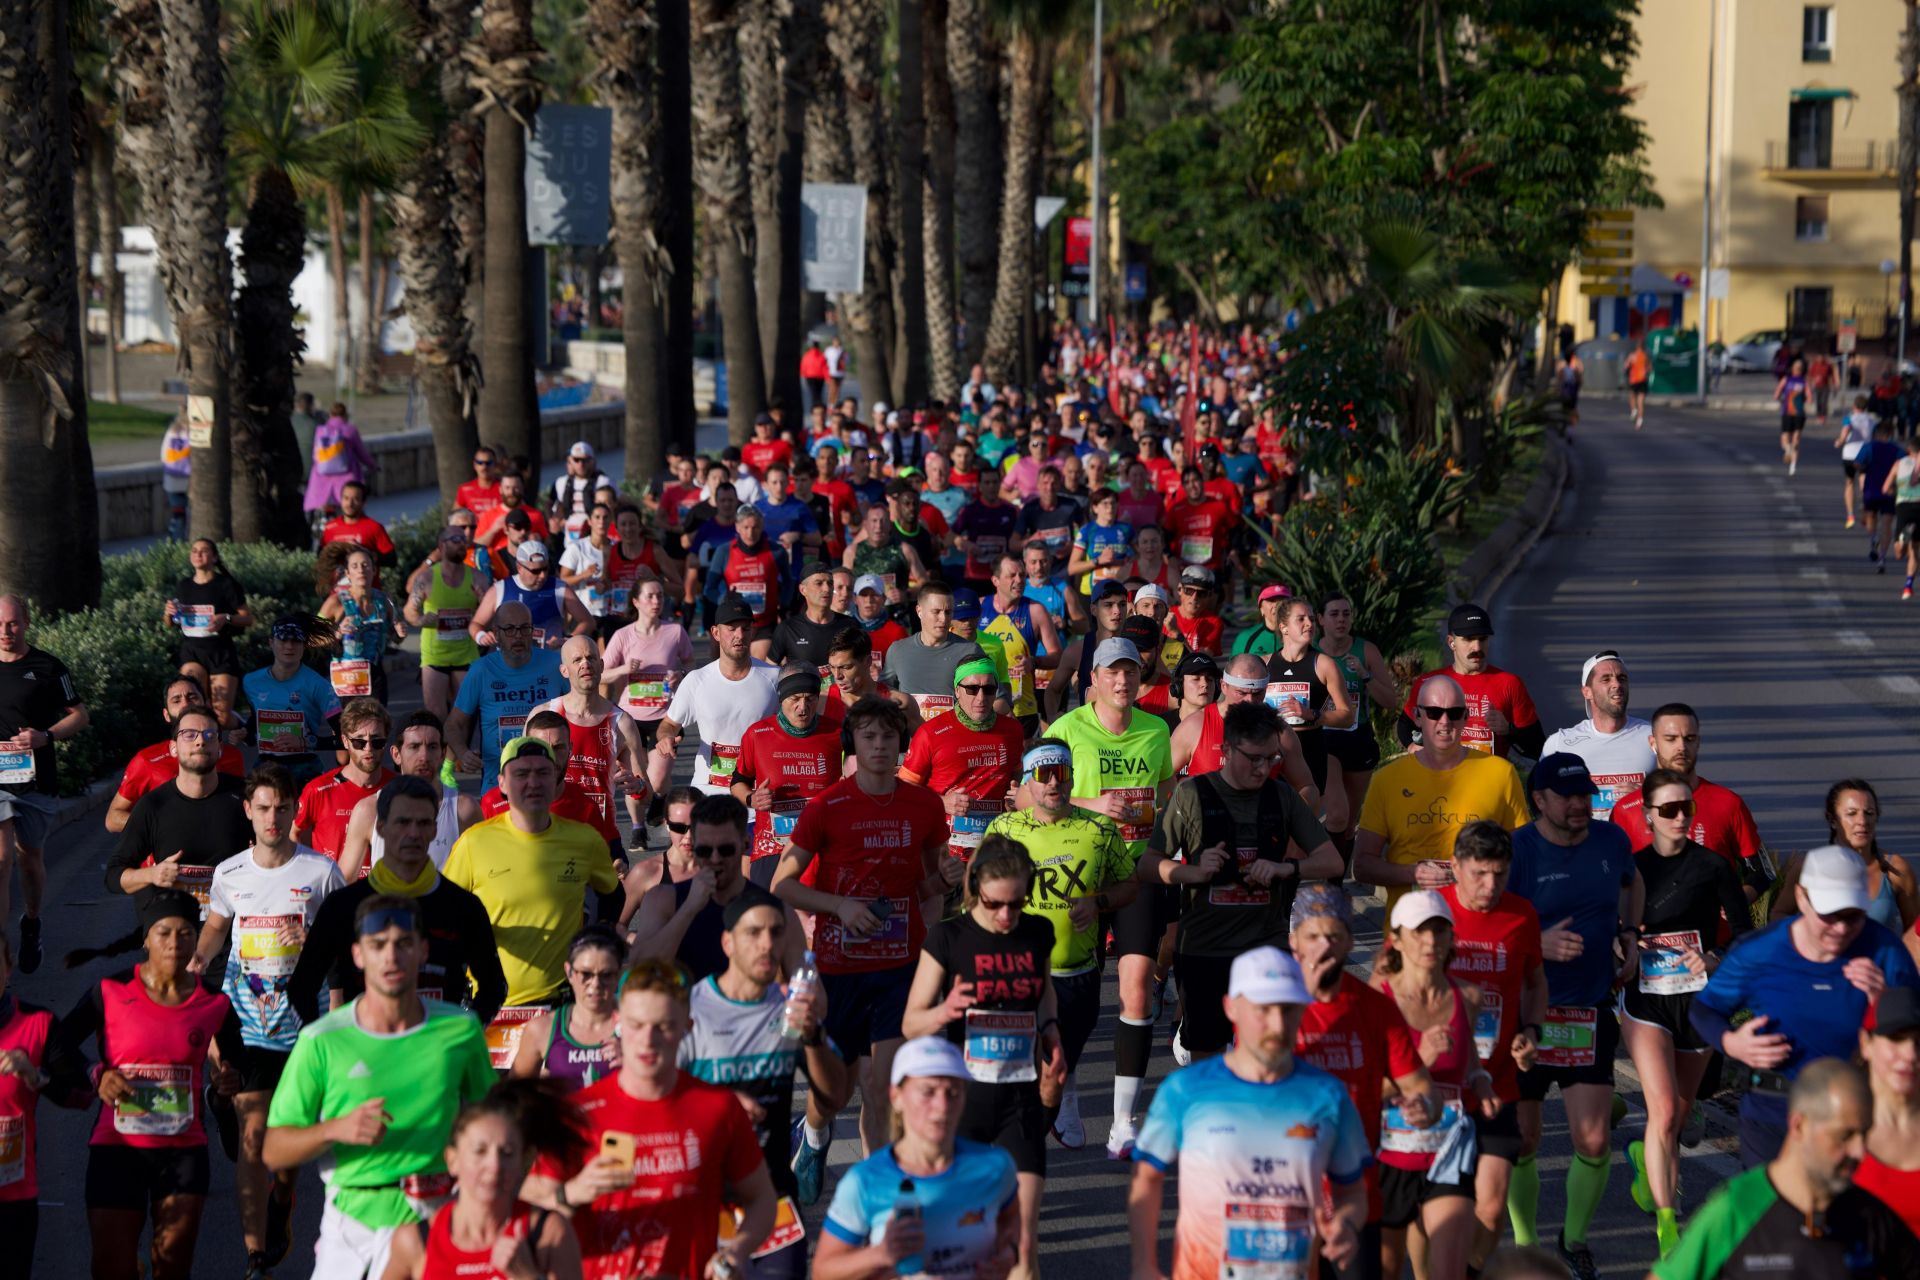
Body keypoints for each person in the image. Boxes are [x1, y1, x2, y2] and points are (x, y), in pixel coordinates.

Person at [265, 892, 498, 1278]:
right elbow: (274, 1151)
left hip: (439, 1216)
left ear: (423, 951)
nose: (391, 957)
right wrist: (336, 1129)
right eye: (378, 946)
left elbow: (494, 1125)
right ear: (358, 955)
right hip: (354, 1224)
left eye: (403, 944)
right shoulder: (322, 1040)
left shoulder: (459, 1029)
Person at [522, 956, 780, 1280]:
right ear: (618, 1022)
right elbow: (528, 1204)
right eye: (636, 1025)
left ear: (687, 1028)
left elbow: (761, 1199)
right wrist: (572, 1193)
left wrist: (736, 1251)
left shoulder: (718, 1107)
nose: (647, 1040)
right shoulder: (577, 1113)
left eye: (664, 1026)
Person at [771, 696, 950, 1153]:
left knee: (883, 1088)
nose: (880, 746)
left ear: (902, 745)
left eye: (889, 737)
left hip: (899, 966)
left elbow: (931, 884)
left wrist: (952, 879)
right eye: (869, 737)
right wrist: (840, 907)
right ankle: (812, 1133)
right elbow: (783, 885)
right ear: (853, 744)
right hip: (839, 968)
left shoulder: (925, 805)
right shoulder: (826, 806)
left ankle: (879, 1195)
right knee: (835, 1092)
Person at [1128, 947, 1371, 1280]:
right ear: (1232, 1007)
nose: (1277, 1023)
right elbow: (1147, 1180)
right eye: (1263, 1009)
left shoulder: (1327, 1095)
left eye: (1288, 1009)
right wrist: (1144, 1264)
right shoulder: (1186, 1090)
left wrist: (1345, 1222)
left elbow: (1354, 1191)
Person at [191, 763, 344, 1273]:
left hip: (303, 1020)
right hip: (246, 1017)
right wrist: (198, 957)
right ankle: (255, 1254)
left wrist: (336, 1008)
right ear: (248, 812)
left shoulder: (321, 872)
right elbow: (216, 926)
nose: (272, 817)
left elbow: (343, 949)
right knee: (253, 1135)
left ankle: (283, 1198)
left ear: (293, 809)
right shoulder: (230, 872)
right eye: (263, 808)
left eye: (281, 807)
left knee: (284, 1143)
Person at [57, 887, 245, 1280]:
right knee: (112, 1267)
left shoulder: (215, 1002)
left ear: (197, 937)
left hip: (183, 1152)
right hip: (116, 1147)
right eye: (164, 933)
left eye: (185, 933)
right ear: (146, 938)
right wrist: (97, 1074)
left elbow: (235, 1064)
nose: (175, 943)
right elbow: (55, 1046)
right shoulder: (110, 992)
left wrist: (228, 1083)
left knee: (172, 1267)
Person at [1140, 701, 1342, 1062]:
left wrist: (1286, 869)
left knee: (1269, 1052)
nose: (1264, 768)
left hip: (1265, 944)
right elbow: (1148, 865)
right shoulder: (1192, 794)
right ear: (1228, 750)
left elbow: (1332, 860)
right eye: (1254, 758)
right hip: (1204, 945)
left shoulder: (1282, 797)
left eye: (1272, 758)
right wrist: (1191, 871)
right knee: (1208, 1057)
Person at [1503, 753, 1642, 1280]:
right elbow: (1485, 919)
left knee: (1593, 1139)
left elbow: (1632, 882)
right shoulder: (1518, 850)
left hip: (1588, 1009)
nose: (1582, 804)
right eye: (1569, 796)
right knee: (1526, 1139)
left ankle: (1574, 1240)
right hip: (1527, 1012)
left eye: (1587, 794)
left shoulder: (1611, 842)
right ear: (1539, 800)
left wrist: (1630, 933)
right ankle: (1524, 1245)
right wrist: (1534, 943)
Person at [1694, 844, 1920, 1165]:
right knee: (1776, 1212)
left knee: (1844, 1215)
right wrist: (1731, 1041)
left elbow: (1912, 1027)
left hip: (1856, 1111)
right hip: (1773, 1111)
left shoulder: (1884, 951)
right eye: (1829, 914)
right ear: (1801, 898)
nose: (1841, 928)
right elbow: (1705, 1008)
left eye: (1853, 915)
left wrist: (1884, 1002)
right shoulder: (1761, 950)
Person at [902, 838, 1065, 1280]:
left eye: (1016, 903)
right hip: (961, 1106)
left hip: (1020, 1100)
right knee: (954, 1242)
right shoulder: (948, 937)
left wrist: (1051, 1031)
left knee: (1024, 1243)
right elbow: (911, 1022)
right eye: (995, 904)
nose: (1006, 916)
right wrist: (945, 1011)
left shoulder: (1036, 932)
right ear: (976, 888)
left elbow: (1044, 993)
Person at [1047, 636, 1175, 1157]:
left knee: (1137, 989)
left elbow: (1166, 793)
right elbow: (1029, 792)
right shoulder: (1067, 729)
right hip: (1079, 870)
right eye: (1112, 673)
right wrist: (1092, 802)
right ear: (1093, 680)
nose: (1123, 681)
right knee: (1076, 997)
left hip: (1137, 870)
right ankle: (1070, 1091)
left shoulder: (1157, 729)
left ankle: (1124, 1121)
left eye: (1131, 672)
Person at [1621, 768, 1754, 1258]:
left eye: (1686, 808)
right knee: (1660, 1111)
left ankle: (1643, 1159)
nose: (1680, 817)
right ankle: (1668, 1227)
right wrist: (1626, 946)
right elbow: (1617, 928)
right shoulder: (1632, 868)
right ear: (1648, 814)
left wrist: (1715, 957)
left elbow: (1742, 932)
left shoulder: (1714, 866)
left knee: (1676, 1115)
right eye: (1669, 810)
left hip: (1696, 1000)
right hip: (1646, 1001)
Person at [682, 893, 853, 1274]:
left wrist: (812, 1036)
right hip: (702, 1198)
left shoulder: (791, 1009)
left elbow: (836, 1095)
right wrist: (720, 1105)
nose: (767, 944)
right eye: (754, 933)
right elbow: (650, 1103)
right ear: (727, 942)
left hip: (774, 1198)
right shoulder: (691, 1009)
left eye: (776, 933)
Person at [985, 740, 1136, 1150]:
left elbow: (1129, 885)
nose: (1054, 783)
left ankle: (1060, 1093)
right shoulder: (1003, 830)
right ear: (1028, 783)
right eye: (1044, 774)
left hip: (1078, 974)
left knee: (1059, 1061)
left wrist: (1098, 901)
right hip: (1017, 972)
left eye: (1061, 773)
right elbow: (978, 891)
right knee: (1020, 1070)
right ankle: (1015, 1150)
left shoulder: (1099, 829)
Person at [1651, 1059, 1920, 1280]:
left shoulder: (1867, 1214)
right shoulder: (1736, 1209)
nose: (1860, 1152)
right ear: (1799, 1125)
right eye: (1845, 1135)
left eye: (1863, 1135)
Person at [1290, 883, 1436, 1280]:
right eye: (1313, 936)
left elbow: (1420, 1086)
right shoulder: (1271, 1005)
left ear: (1350, 940)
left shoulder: (1374, 1008)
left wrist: (1423, 1106)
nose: (1324, 947)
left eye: (1334, 936)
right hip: (1287, 1199)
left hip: (1357, 1195)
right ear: (1294, 942)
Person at [290, 776, 506, 1024]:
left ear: (435, 829)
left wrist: (461, 1039)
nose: (413, 833)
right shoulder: (343, 906)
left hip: (435, 1056)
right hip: (365, 1057)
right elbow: (301, 988)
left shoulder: (462, 907)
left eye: (423, 822)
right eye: (403, 822)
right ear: (380, 827)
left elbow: (494, 987)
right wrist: (329, 1047)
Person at [1372, 890, 1502, 1280]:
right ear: (1396, 938)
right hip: (1390, 1154)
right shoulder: (1378, 1000)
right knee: (1387, 1267)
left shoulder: (1468, 996)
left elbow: (1471, 1058)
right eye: (1419, 932)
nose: (1430, 942)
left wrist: (1481, 1084)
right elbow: (1360, 1089)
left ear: (1451, 938)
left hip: (1449, 1151)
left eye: (1440, 931)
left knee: (1448, 1271)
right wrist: (1418, 1067)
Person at [813, 1036, 1020, 1280]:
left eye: (953, 1093)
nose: (942, 1106)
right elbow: (823, 1271)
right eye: (928, 1092)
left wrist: (1009, 1254)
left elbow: (1011, 1222)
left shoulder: (994, 1166)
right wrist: (880, 1254)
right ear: (896, 1097)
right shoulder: (866, 1181)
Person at [1437, 822, 1548, 1274]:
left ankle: (1468, 1272)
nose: (1490, 885)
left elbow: (1536, 983)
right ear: (1455, 868)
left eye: (1500, 874)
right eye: (1480, 873)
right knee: (1437, 1211)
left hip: (1497, 1081)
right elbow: (1392, 987)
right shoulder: (1430, 912)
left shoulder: (1522, 915)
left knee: (1490, 1205)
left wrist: (1533, 1031)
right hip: (1436, 1085)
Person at [444, 736, 624, 1008]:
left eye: (543, 773)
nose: (533, 783)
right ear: (502, 783)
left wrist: (596, 939)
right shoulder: (473, 843)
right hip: (491, 1005)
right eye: (521, 774)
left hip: (561, 1003)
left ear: (555, 780)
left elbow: (613, 896)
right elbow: (445, 912)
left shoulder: (585, 840)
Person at [1355, 674, 1531, 915]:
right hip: (1413, 932)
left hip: (1479, 930)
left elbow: (1524, 855)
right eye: (1434, 713)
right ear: (1417, 716)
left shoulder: (1500, 773)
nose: (1445, 721)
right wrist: (1413, 873)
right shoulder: (1387, 779)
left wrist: (1478, 874)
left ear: (1466, 717)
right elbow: (1363, 865)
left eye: (1455, 713)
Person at [379, 1078, 585, 1280]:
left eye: (507, 1152)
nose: (494, 1166)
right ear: (453, 1160)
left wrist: (527, 1276)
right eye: (479, 1151)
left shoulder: (547, 1232)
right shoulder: (416, 1241)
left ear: (522, 1161)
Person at [0, 595, 86, 970]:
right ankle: (1, 948)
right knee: (1, 859)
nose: (5, 632)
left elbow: (80, 715)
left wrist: (44, 737)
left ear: (27, 623)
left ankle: (31, 923)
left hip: (36, 779)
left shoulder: (48, 667)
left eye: (13, 624)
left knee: (29, 859)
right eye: (0, 624)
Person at [1609, 704, 1770, 900]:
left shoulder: (1728, 803)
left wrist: (1735, 903)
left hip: (1716, 931)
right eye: (1670, 739)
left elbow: (1763, 873)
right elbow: (1610, 877)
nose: (1681, 747)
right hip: (1650, 929)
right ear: (1653, 743)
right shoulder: (1625, 810)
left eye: (1689, 739)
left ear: (1698, 743)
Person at [105, 705, 253, 911]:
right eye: (189, 734)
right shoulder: (153, 804)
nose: (200, 741)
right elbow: (113, 875)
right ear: (173, 748)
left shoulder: (247, 797)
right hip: (175, 929)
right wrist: (151, 874)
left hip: (234, 928)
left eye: (210, 734)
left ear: (220, 747)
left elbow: (284, 852)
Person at [899, 657, 1026, 892]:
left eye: (988, 689)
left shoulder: (1012, 731)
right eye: (971, 689)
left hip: (994, 857)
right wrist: (941, 803)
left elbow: (1017, 777)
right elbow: (903, 794)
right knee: (946, 926)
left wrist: (1017, 796)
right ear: (957, 690)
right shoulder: (930, 733)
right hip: (945, 859)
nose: (980, 698)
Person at [0, 928, 87, 1268]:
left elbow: (81, 1095)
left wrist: (35, 1077)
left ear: (8, 969)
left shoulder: (37, 1023)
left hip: (12, 1197)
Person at [649, 593, 781, 799]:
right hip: (708, 790)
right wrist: (666, 738)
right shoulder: (697, 680)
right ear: (716, 633)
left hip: (756, 791)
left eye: (745, 629)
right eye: (731, 629)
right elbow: (669, 724)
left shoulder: (773, 678)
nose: (739, 635)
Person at [733, 664, 847, 884]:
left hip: (823, 844)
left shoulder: (838, 733)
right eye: (794, 698)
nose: (802, 707)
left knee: (818, 914)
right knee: (770, 915)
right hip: (773, 847)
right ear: (781, 698)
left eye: (810, 698)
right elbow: (738, 782)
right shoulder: (757, 734)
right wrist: (752, 798)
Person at [338, 710, 479, 880]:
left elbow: (484, 877)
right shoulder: (369, 810)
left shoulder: (464, 810)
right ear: (396, 755)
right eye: (414, 747)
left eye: (432, 747)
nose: (424, 756)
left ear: (443, 754)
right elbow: (343, 881)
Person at [538, 636, 649, 851]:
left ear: (601, 665)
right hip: (551, 835)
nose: (585, 664)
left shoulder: (622, 723)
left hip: (600, 839)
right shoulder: (542, 716)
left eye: (590, 658)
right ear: (564, 671)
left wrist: (638, 787)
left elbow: (646, 794)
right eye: (577, 660)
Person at [446, 600, 567, 794]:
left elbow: (583, 707)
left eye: (524, 628)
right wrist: (463, 753)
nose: (518, 636)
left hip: (548, 784)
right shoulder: (481, 670)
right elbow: (453, 724)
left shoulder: (555, 664)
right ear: (497, 633)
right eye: (510, 629)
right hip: (497, 786)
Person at [1399, 603, 1544, 760]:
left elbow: (1538, 749)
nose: (1477, 647)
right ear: (1451, 642)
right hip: (1442, 779)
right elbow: (1405, 725)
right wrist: (1411, 745)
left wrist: (1508, 730)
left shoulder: (1509, 683)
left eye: (1483, 639)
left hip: (1487, 779)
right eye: (1468, 639)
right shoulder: (1429, 683)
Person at [1774, 780, 1918, 937]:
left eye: (1869, 813)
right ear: (1833, 820)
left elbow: (1915, 932)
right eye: (1851, 813)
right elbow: (1779, 915)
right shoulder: (1807, 867)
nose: (1862, 821)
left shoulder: (1896, 869)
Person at [106, 675, 245, 834]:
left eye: (192, 697)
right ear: (166, 715)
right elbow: (113, 818)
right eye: (176, 700)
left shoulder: (232, 756)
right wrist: (161, 825)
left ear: (207, 705)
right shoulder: (147, 760)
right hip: (165, 858)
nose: (185, 704)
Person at [1315, 591, 1396, 865]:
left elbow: (1390, 701)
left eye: (1346, 614)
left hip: (1358, 738)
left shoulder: (1366, 650)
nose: (1341, 620)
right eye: (1334, 614)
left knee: (1348, 822)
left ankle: (1335, 882)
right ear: (1320, 619)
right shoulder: (1312, 651)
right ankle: (1328, 879)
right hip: (1323, 738)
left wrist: (1365, 675)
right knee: (1336, 813)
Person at [1541, 650, 1653, 822]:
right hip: (1583, 845)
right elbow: (1542, 803)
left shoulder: (1654, 736)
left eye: (1622, 678)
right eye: (1606, 679)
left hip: (1638, 846)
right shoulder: (1560, 743)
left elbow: (1682, 795)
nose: (1617, 684)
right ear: (1587, 692)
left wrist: (1647, 798)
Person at [508, 924, 624, 1090]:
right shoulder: (542, 1029)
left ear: (618, 974)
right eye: (586, 974)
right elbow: (514, 1096)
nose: (595, 984)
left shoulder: (640, 1025)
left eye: (606, 975)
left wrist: (637, 1063)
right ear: (569, 972)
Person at [1262, 595, 1354, 796]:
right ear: (1284, 627)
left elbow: (1347, 715)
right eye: (1301, 619)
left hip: (1309, 753)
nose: (1309, 624)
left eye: (1311, 619)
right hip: (1271, 753)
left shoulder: (1324, 664)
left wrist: (1311, 714)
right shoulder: (1265, 664)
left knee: (1302, 821)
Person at [243, 613, 344, 787]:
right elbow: (255, 726)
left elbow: (345, 738)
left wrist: (306, 742)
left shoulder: (319, 685)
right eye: (283, 640)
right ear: (271, 643)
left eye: (296, 641)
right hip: (266, 768)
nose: (289, 646)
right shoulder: (252, 681)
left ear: (304, 645)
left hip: (305, 769)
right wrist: (244, 733)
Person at [1853, 987, 1920, 1238]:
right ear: (1865, 1043)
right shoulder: (1837, 1129)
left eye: (1919, 1041)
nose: (1910, 1054)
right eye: (1896, 1038)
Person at [295, 697, 396, 864]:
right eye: (359, 742)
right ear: (345, 741)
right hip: (335, 887)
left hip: (384, 888)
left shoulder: (399, 788)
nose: (368, 748)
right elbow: (295, 834)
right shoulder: (318, 790)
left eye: (377, 741)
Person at [167, 538, 251, 730]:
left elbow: (248, 618)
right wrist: (168, 613)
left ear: (214, 557)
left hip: (221, 652)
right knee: (192, 710)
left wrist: (227, 618)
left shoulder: (226, 584)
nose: (198, 554)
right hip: (192, 652)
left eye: (203, 551)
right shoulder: (184, 585)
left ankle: (243, 727)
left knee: (220, 717)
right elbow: (171, 622)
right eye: (194, 551)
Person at [404, 525, 483, 723]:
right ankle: (442, 754)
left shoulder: (477, 578)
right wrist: (422, 620)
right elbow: (409, 612)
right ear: (441, 545)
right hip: (435, 656)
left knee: (464, 716)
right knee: (436, 716)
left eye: (463, 540)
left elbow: (490, 613)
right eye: (455, 540)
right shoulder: (427, 578)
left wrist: (481, 609)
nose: (461, 544)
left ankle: (455, 754)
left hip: (466, 654)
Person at [884, 582, 992, 723]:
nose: (943, 619)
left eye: (948, 612)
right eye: (936, 612)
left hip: (953, 740)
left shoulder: (970, 651)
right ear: (919, 611)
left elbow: (997, 699)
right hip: (911, 742)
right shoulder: (898, 650)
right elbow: (884, 692)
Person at [471, 540, 594, 652]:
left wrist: (568, 640)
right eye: (535, 571)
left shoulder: (559, 588)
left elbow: (588, 621)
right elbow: (476, 624)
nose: (542, 575)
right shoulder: (500, 589)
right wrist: (481, 636)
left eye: (545, 569)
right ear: (519, 567)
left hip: (546, 664)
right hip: (510, 666)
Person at [303, 402, 377, 515]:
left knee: (314, 511)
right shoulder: (350, 430)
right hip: (346, 478)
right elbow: (362, 454)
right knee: (354, 510)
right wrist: (372, 465)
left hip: (321, 479)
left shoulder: (320, 430)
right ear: (345, 414)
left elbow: (315, 455)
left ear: (330, 414)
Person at [320, 481, 399, 571]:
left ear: (364, 503)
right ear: (341, 500)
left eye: (356, 499)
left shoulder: (374, 527)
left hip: (366, 584)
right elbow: (320, 557)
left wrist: (365, 553)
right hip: (337, 584)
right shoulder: (330, 528)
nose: (350, 504)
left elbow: (392, 560)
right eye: (346, 498)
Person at [549, 440, 615, 541]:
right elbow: (554, 504)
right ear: (570, 461)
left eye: (585, 460)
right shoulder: (561, 482)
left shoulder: (603, 481)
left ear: (592, 461)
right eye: (576, 460)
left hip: (595, 535)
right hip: (568, 537)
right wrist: (553, 520)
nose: (581, 464)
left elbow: (617, 504)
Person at [1885, 431, 1920, 599]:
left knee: (1899, 553)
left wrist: (1897, 492)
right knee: (1915, 550)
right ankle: (1908, 585)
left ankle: (1903, 537)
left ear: (1909, 450)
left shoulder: (1899, 464)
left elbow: (1885, 488)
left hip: (1903, 506)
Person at [1835, 395, 1876, 529]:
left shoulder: (1849, 418)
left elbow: (1845, 432)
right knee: (1864, 482)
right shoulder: (1871, 420)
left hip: (1849, 454)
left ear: (1854, 406)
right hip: (1865, 453)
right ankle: (1865, 510)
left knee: (1849, 482)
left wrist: (1840, 441)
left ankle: (1850, 515)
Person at [1777, 355, 1810, 476]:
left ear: (1792, 369)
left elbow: (1776, 394)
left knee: (1785, 438)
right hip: (1799, 414)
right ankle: (1793, 466)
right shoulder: (1804, 382)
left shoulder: (1786, 380)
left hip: (1787, 412)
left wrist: (1781, 400)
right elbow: (1810, 397)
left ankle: (1787, 449)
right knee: (1796, 439)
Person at [455, 446, 502, 519]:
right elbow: (454, 519)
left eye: (488, 463)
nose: (484, 467)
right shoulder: (464, 489)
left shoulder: (505, 488)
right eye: (480, 463)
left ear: (495, 465)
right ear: (475, 465)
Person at [1624, 342, 1651, 430]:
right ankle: (1639, 421)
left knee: (1632, 396)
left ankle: (1634, 410)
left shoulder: (1632, 356)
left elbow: (1626, 366)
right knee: (1641, 402)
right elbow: (1649, 368)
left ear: (1636, 347)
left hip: (1634, 380)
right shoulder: (1645, 356)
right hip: (1643, 380)